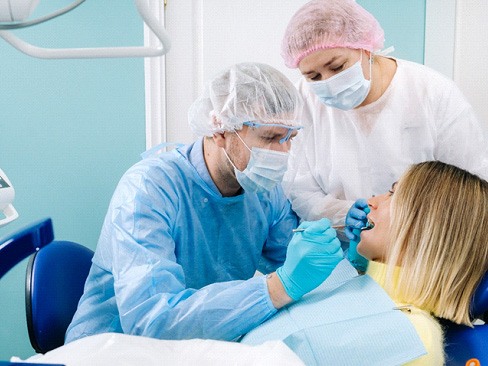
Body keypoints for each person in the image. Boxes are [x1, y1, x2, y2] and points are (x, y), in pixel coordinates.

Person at [65, 62, 344, 343]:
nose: (283, 153)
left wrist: (346, 253)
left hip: (204, 345)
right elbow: (151, 319)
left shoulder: (263, 192)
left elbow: (297, 261)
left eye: (289, 138)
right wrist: (277, 288)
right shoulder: (149, 189)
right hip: (114, 348)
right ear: (221, 130)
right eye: (271, 137)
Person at [279, 0, 488, 248]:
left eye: (337, 67)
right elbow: (299, 189)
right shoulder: (302, 101)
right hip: (343, 250)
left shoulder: (431, 93)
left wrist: (407, 225)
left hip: (425, 250)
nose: (327, 82)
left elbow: (470, 188)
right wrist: (342, 213)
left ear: (366, 49)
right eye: (313, 76)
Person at [241, 161, 488, 365]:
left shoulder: (416, 339)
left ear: (425, 229)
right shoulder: (353, 277)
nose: (372, 201)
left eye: (393, 194)